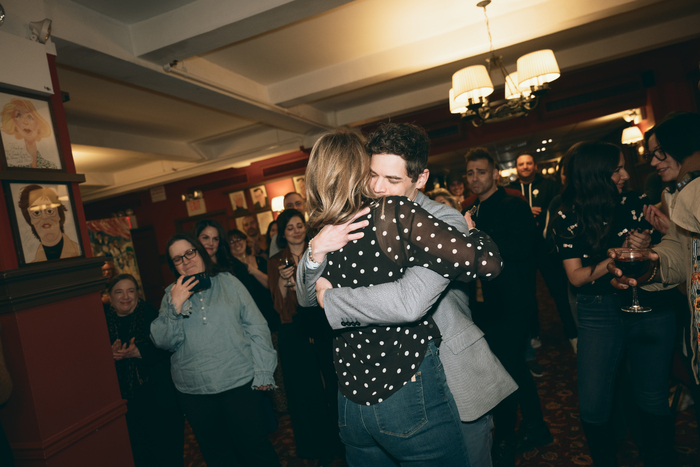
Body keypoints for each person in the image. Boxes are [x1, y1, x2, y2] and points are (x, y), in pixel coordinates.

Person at [297, 127, 511, 467]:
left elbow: (410, 300)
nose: (378, 188)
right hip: (385, 379)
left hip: (447, 364)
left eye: (392, 180)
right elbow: (308, 299)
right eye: (372, 175)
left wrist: (332, 300)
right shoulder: (359, 216)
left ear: (421, 178)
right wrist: (313, 253)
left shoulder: (444, 219)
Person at [553, 141, 675, 466]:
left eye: (624, 167)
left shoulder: (635, 201)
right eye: (617, 169)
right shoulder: (566, 212)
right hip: (597, 308)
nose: (625, 174)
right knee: (593, 401)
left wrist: (646, 243)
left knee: (651, 395)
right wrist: (609, 264)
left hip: (645, 299)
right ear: (596, 174)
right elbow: (576, 277)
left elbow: (663, 249)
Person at [610, 112, 700, 461]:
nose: (652, 161)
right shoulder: (679, 192)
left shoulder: (687, 193)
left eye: (660, 151)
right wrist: (652, 262)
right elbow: (681, 255)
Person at [150, 232, 279, 467]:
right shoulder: (171, 294)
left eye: (190, 252)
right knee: (218, 457)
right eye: (178, 258)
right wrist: (175, 305)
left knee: (256, 450)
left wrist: (263, 371)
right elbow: (163, 342)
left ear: (200, 252)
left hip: (239, 384)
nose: (186, 260)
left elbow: (257, 327)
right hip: (195, 393)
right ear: (173, 266)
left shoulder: (228, 281)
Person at [463, 148, 552, 465]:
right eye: (471, 173)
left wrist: (476, 235)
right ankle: (534, 424)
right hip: (487, 304)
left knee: (507, 367)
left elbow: (521, 249)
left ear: (494, 174)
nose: (475, 178)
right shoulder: (471, 208)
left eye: (481, 172)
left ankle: (506, 435)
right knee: (511, 366)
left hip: (515, 301)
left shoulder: (512, 204)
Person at [268, 209, 340, 465]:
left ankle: (343, 440)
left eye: (299, 225)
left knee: (334, 383)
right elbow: (278, 306)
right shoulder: (276, 261)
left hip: (323, 323)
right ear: (282, 233)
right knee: (305, 390)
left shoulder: (320, 251)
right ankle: (316, 446)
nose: (296, 230)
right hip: (294, 328)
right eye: (290, 227)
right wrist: (282, 282)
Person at [104, 274, 183, 466]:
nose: (125, 296)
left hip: (158, 400)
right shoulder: (101, 323)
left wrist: (141, 352)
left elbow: (170, 349)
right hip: (125, 406)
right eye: (119, 292)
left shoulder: (152, 315)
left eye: (131, 291)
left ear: (137, 294)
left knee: (166, 454)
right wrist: (107, 356)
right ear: (109, 297)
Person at [508, 152, 574, 355]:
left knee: (559, 290)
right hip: (522, 250)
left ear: (535, 166)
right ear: (516, 168)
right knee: (526, 293)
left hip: (547, 248)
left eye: (529, 163)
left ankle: (572, 332)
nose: (525, 167)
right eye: (521, 164)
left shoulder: (551, 186)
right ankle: (534, 334)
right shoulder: (508, 191)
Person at [227, 228, 279, 332]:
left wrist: (253, 270)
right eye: (232, 242)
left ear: (245, 241)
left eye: (239, 239)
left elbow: (271, 285)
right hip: (245, 317)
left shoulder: (260, 260)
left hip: (267, 310)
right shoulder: (228, 268)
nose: (236, 244)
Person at [17, 185, 81, 263]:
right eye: (36, 213)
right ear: (30, 220)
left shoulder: (80, 251)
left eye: (49, 211)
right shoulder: (31, 264)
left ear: (59, 215)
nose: (44, 217)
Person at [0, 98, 57, 169]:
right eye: (19, 116)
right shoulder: (11, 165)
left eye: (30, 117)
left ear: (38, 123)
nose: (25, 122)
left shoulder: (51, 166)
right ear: (14, 123)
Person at [269, 192, 307, 258]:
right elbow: (275, 263)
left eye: (298, 204)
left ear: (305, 206)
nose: (295, 208)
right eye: (290, 205)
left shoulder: (317, 230)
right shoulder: (277, 239)